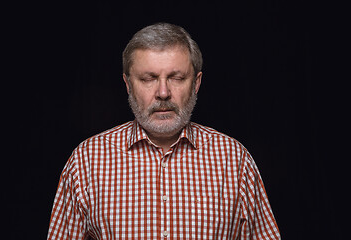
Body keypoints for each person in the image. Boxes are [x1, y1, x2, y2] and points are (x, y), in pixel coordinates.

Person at [47, 23, 281, 239]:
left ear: (196, 83)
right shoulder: (87, 161)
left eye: (176, 78)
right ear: (128, 84)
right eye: (148, 79)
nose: (162, 93)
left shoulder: (234, 160)